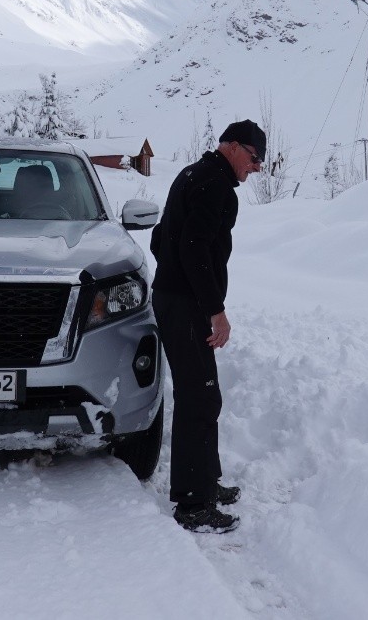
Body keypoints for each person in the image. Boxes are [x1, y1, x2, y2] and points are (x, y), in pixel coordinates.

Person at [149, 119, 266, 532]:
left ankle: (205, 482)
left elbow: (161, 238)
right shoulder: (214, 183)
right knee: (199, 398)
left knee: (203, 394)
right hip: (186, 305)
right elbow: (192, 247)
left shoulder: (192, 174)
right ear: (233, 147)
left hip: (176, 298)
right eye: (254, 158)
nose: (255, 168)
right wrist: (214, 309)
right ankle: (194, 505)